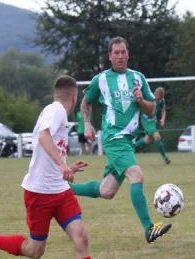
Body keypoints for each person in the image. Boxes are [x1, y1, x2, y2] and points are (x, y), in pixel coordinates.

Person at [0, 75, 117, 259]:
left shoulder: (53, 111)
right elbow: (43, 136)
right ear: (74, 97)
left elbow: (48, 143)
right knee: (35, 250)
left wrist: (66, 167)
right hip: (40, 193)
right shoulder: (57, 111)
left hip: (60, 191)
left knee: (80, 237)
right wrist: (63, 166)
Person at [70, 36, 172, 244]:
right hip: (113, 138)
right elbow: (85, 102)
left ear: (128, 54)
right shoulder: (101, 79)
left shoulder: (138, 78)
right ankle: (149, 228)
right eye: (116, 52)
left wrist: (141, 100)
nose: (120, 56)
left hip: (127, 140)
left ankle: (63, 191)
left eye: (123, 52)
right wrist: (87, 124)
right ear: (109, 56)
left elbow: (151, 108)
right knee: (137, 176)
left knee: (106, 191)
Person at [134, 87, 171, 165]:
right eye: (158, 97)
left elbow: (163, 110)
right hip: (146, 120)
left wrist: (163, 119)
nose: (159, 99)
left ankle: (131, 146)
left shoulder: (161, 100)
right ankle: (165, 158)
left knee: (148, 140)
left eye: (161, 98)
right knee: (157, 136)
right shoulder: (149, 98)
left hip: (153, 121)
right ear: (154, 94)